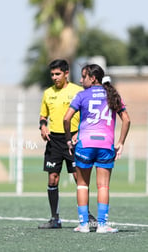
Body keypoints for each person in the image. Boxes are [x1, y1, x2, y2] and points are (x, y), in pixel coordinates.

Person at [63, 64, 130, 233]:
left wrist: (69, 139)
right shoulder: (113, 95)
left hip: (84, 145)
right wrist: (121, 142)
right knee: (103, 186)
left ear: (93, 78)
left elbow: (66, 118)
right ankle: (102, 225)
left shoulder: (81, 95)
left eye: (83, 76)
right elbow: (127, 120)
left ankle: (84, 225)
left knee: (82, 185)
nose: (80, 80)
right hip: (105, 146)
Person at [38, 59, 96, 229]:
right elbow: (43, 116)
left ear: (66, 73)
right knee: (52, 178)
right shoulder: (48, 93)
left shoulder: (78, 92)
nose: (54, 77)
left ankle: (87, 215)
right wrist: (43, 127)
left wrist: (79, 132)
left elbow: (88, 115)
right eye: (52, 74)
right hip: (53, 141)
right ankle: (54, 218)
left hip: (73, 140)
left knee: (79, 177)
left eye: (58, 74)